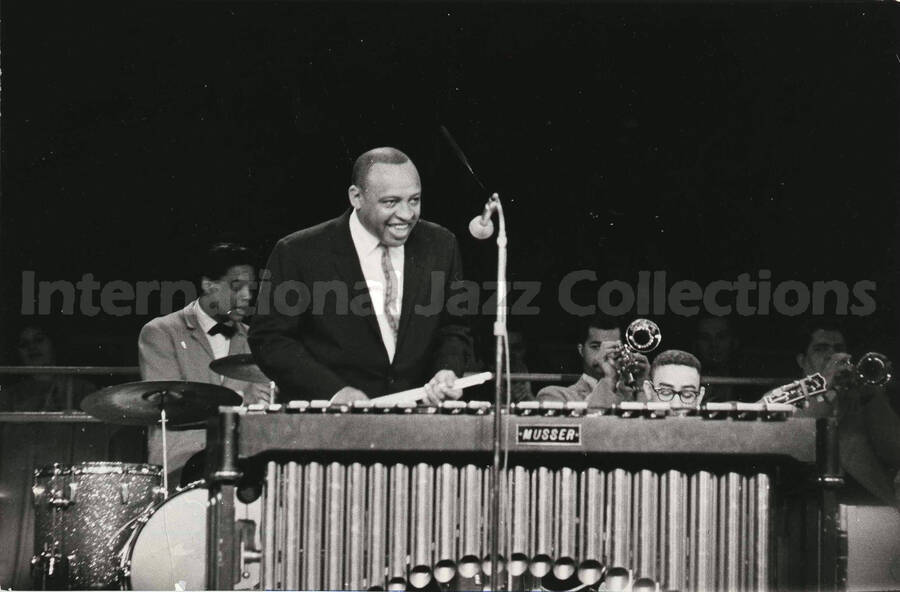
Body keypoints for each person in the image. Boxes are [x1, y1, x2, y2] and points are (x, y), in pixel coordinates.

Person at [249, 147, 472, 405]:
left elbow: (453, 327)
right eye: (391, 202)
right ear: (356, 197)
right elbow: (270, 339)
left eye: (414, 200)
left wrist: (446, 370)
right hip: (327, 425)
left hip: (418, 421)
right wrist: (334, 391)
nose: (407, 214)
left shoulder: (441, 244)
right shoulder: (298, 252)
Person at [138, 242, 268, 485]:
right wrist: (243, 400)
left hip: (240, 466)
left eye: (251, 288)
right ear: (209, 285)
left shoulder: (255, 339)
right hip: (181, 466)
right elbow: (175, 406)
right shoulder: (160, 332)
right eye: (237, 287)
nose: (247, 296)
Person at [785, 322, 900, 506]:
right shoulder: (788, 395)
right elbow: (799, 443)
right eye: (820, 349)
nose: (831, 355)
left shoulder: (862, 396)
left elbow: (894, 450)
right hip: (807, 504)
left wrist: (872, 397)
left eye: (838, 348)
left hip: (867, 508)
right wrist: (826, 387)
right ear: (802, 361)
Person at [536, 314, 649, 407]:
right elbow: (590, 426)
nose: (604, 353)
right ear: (581, 350)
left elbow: (650, 429)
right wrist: (609, 379)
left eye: (613, 347)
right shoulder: (554, 395)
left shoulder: (631, 394)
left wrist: (642, 384)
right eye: (596, 346)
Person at [0, 324, 96, 411]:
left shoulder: (83, 389)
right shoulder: (9, 396)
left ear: (53, 344)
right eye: (24, 344)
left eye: (39, 340)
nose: (32, 347)